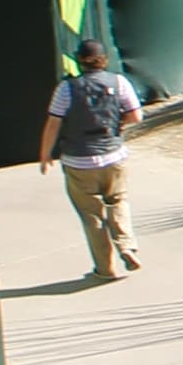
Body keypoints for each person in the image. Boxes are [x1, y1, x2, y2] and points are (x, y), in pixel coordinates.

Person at [39, 39, 147, 283]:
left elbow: (53, 123)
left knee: (92, 216)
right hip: (113, 156)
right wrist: (118, 124)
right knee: (118, 201)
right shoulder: (119, 82)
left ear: (79, 61)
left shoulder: (66, 89)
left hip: (78, 161)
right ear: (104, 59)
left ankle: (105, 269)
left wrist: (46, 154)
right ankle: (126, 247)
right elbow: (136, 116)